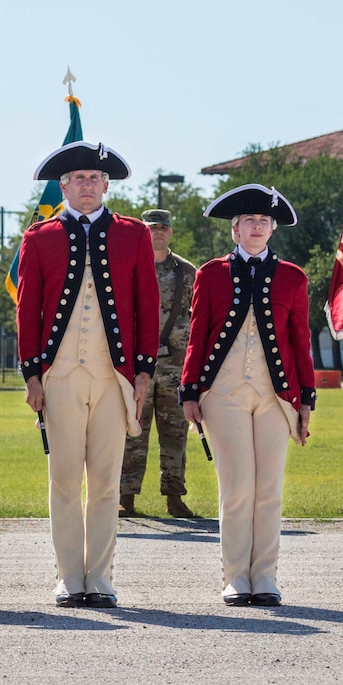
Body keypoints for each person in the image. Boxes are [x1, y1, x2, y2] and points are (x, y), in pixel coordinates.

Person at [16, 142, 159, 608]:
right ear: (63, 186)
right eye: (78, 179)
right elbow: (28, 310)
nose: (87, 185)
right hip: (59, 375)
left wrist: (143, 370)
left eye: (95, 178)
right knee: (63, 479)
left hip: (113, 375)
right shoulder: (38, 237)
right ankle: (66, 576)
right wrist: (32, 375)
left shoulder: (132, 234)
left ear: (106, 185)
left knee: (104, 481)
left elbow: (147, 304)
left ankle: (99, 576)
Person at [181, 185, 315, 606]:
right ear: (235, 230)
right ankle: (236, 576)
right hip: (223, 393)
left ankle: (266, 576)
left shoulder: (293, 277)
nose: (257, 228)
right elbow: (198, 334)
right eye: (249, 222)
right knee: (237, 486)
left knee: (269, 487)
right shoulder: (211, 274)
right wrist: (189, 390)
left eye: (264, 222)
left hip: (276, 396)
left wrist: (306, 399)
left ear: (272, 229)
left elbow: (300, 340)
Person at [121, 209, 198, 519]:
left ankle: (174, 498)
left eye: (163, 228)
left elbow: (199, 317)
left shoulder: (187, 272)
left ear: (170, 231)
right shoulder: (128, 269)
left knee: (175, 434)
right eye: (152, 228)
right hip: (138, 367)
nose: (158, 233)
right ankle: (126, 498)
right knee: (132, 432)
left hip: (174, 367)